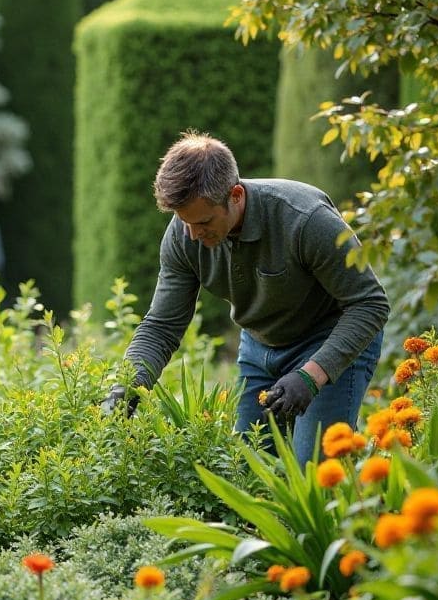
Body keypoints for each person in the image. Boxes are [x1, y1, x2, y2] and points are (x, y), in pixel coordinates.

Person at [102, 131, 389, 465]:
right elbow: (162, 326)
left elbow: (370, 304)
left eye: (204, 221)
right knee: (247, 472)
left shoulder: (305, 219)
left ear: (235, 195)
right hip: (259, 348)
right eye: (184, 222)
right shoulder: (185, 235)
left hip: (328, 339)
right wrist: (129, 383)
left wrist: (312, 375)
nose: (193, 234)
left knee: (315, 474)